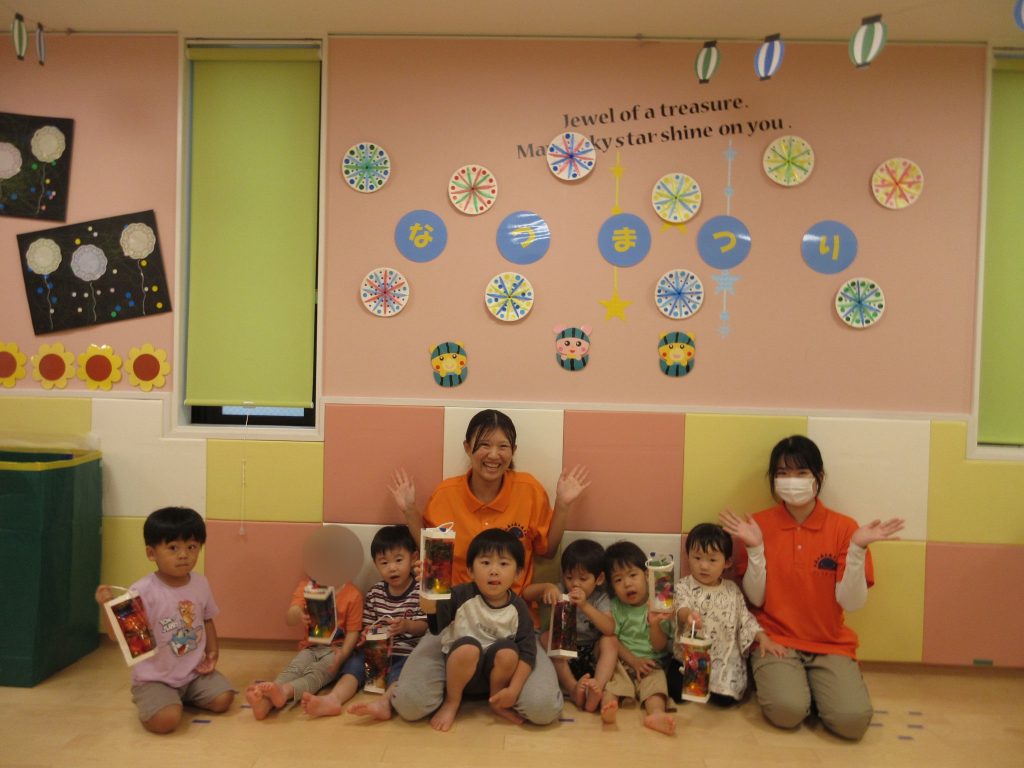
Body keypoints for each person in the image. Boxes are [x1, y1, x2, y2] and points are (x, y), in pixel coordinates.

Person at [389, 408, 590, 725]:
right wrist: (410, 512)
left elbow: (548, 551)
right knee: (411, 705)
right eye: (484, 445)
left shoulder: (529, 490)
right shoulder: (445, 494)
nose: (493, 455)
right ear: (467, 448)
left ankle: (480, 685)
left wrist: (563, 506)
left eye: (503, 446)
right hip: (454, 623)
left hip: (512, 626)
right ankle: (463, 685)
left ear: (513, 450)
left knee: (543, 709)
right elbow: (432, 552)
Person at [720, 435, 905, 740]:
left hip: (829, 643)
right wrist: (754, 548)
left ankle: (818, 690)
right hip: (776, 639)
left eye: (801, 472)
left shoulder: (845, 528)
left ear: (818, 476)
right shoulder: (758, 525)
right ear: (773, 479)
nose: (792, 481)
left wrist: (857, 550)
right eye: (783, 473)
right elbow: (757, 599)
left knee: (852, 722)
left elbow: (851, 602)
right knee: (786, 712)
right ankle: (798, 689)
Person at [94, 506, 235, 734]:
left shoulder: (200, 584)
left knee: (224, 699)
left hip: (193, 673)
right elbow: (118, 636)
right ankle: (155, 699)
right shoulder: (142, 591)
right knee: (166, 721)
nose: (183, 555)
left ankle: (178, 697)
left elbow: (207, 619)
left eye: (191, 547)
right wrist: (106, 606)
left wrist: (212, 653)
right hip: (155, 678)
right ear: (152, 553)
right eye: (173, 548)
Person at [304, 525, 428, 719]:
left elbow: (425, 626)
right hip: (376, 652)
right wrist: (366, 634)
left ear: (413, 558)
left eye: (398, 560)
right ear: (376, 565)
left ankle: (385, 703)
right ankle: (334, 699)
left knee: (402, 674)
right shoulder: (375, 593)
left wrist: (407, 625)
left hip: (405, 653)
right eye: (384, 563)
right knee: (355, 664)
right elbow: (367, 626)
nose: (392, 568)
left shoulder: (420, 590)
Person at [421, 529, 537, 732]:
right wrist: (426, 585)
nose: (494, 571)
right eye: (485, 562)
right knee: (468, 648)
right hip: (459, 672)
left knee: (509, 652)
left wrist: (513, 690)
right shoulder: (461, 594)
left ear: (518, 573)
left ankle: (496, 701)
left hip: (493, 679)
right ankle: (452, 702)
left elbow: (528, 653)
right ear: (470, 571)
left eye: (503, 564)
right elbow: (434, 622)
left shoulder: (518, 608)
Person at [243, 534, 363, 719]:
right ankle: (266, 702)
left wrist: (343, 655)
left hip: (335, 650)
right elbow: (290, 617)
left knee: (315, 674)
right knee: (294, 668)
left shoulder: (353, 594)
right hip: (310, 647)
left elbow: (353, 632)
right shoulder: (307, 587)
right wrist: (298, 614)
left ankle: (284, 692)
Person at [672, 523, 786, 705]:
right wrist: (688, 615)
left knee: (725, 699)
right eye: (697, 558)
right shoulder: (683, 585)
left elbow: (745, 619)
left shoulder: (732, 590)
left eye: (712, 560)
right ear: (688, 557)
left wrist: (763, 637)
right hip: (690, 657)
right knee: (676, 691)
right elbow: (681, 607)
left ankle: (715, 686)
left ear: (727, 562)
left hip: (722, 660)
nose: (703, 565)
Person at [523, 538, 622, 722]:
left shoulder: (600, 598)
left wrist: (585, 606)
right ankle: (573, 688)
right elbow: (526, 593)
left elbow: (609, 628)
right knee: (545, 637)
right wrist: (546, 588)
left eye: (583, 579)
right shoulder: (560, 589)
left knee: (611, 640)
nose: (574, 584)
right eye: (569, 578)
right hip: (565, 657)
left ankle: (596, 688)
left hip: (592, 654)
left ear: (599, 579)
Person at [604, 540, 676, 735]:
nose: (627, 583)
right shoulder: (615, 607)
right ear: (612, 586)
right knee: (612, 684)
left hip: (651, 664)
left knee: (657, 687)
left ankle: (656, 714)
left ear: (646, 575)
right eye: (618, 580)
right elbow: (613, 641)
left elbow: (660, 646)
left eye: (632, 575)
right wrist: (633, 661)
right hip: (624, 662)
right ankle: (608, 709)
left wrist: (655, 623)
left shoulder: (658, 604)